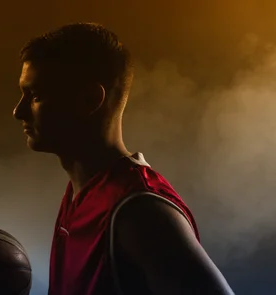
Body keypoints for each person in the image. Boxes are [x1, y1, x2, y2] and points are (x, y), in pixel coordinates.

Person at [13, 23, 234, 295]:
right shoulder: (81, 192)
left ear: (90, 99)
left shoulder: (140, 212)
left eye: (35, 96)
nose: (18, 111)